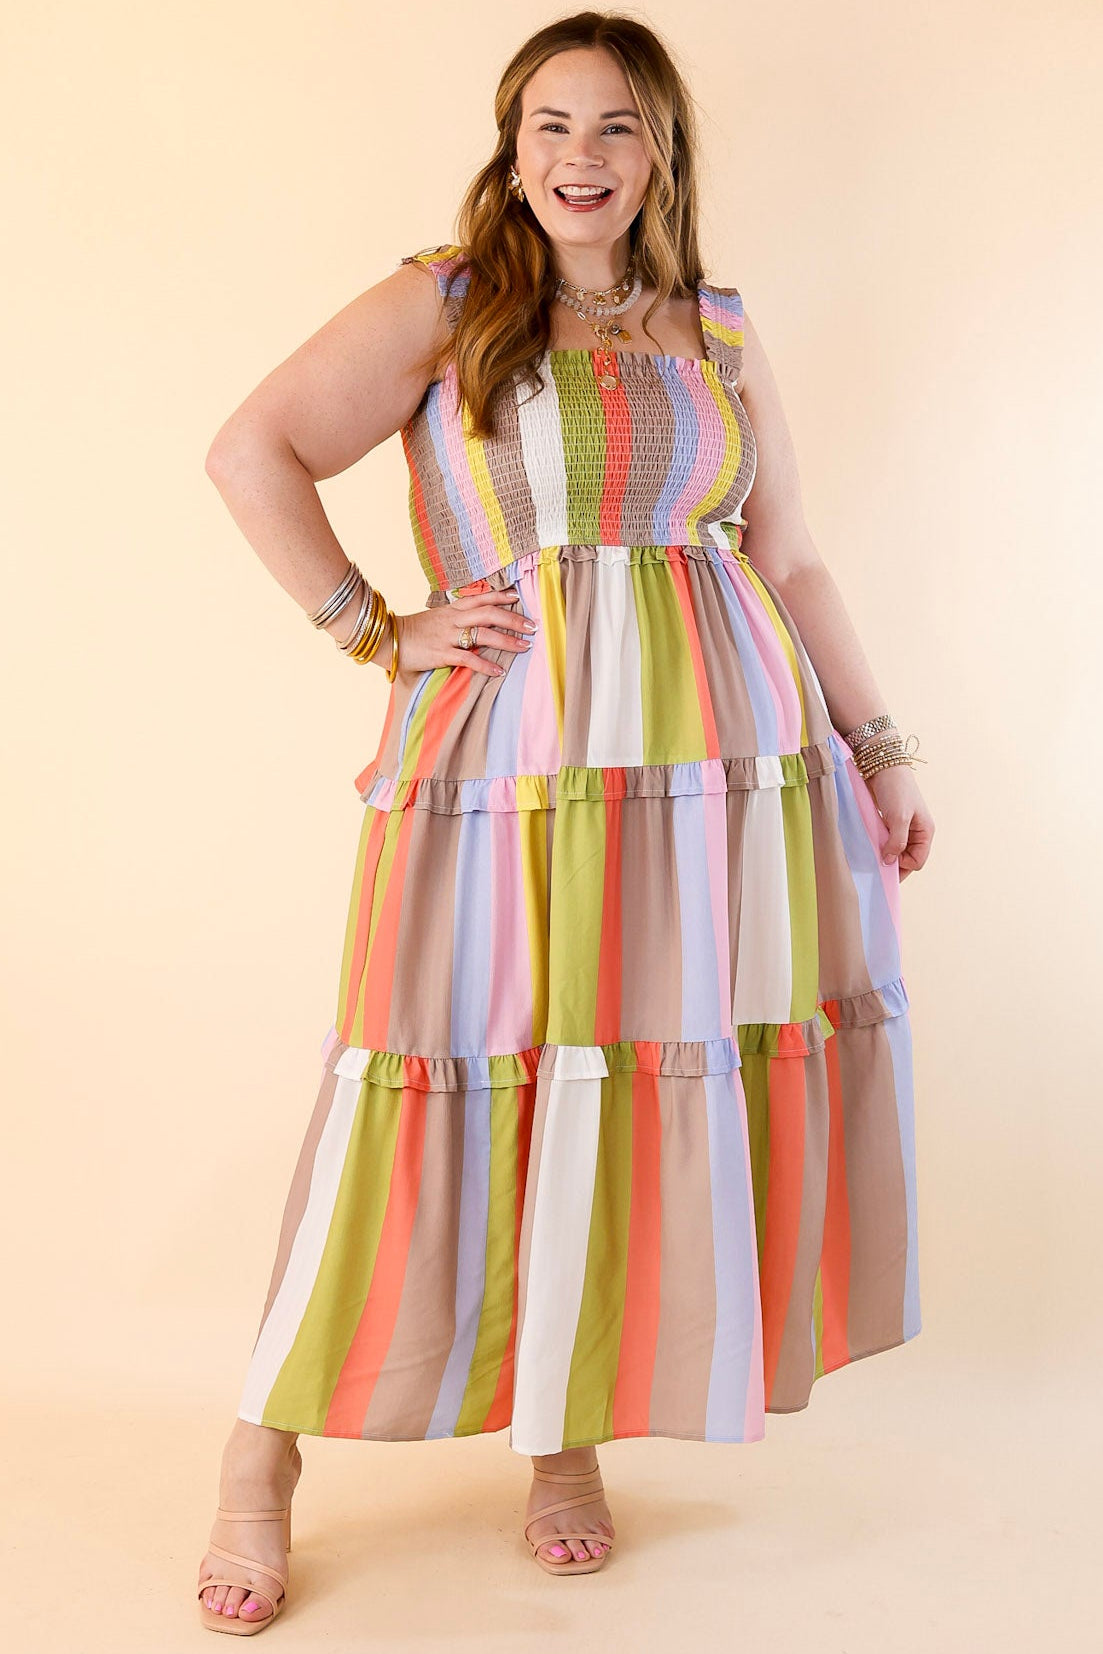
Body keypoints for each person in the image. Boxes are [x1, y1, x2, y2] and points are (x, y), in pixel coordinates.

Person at [197, 8, 934, 1633]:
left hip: (710, 775)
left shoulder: (717, 329)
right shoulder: (449, 301)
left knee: (607, 1091)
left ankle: (563, 1436)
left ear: (662, 151)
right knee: (423, 1074)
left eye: (614, 126)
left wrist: (879, 744)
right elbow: (252, 450)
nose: (579, 156)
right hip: (505, 767)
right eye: (550, 124)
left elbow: (791, 555)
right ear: (511, 144)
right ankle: (262, 1451)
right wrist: (375, 628)